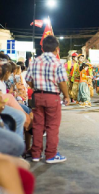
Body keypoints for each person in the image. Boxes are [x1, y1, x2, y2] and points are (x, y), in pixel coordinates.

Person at [25, 35, 69, 163]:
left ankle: (35, 154)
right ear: (57, 49)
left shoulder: (35, 61)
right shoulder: (57, 63)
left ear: (42, 48)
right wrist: (66, 96)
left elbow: (28, 79)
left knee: (38, 125)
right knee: (52, 126)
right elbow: (62, 82)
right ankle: (50, 155)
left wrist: (36, 87)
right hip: (52, 97)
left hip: (37, 96)